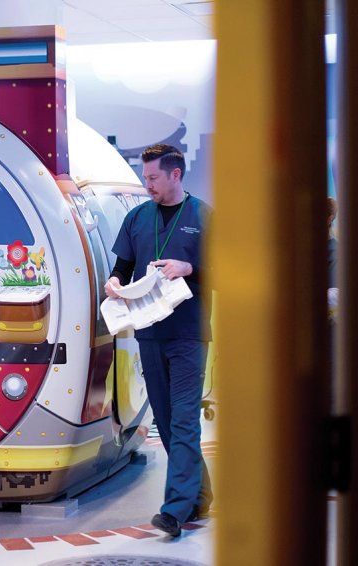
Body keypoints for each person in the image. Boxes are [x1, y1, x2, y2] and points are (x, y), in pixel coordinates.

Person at [105, 143, 213, 537]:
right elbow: (121, 269)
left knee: (184, 420)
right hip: (149, 334)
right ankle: (200, 493)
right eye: (144, 176)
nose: (146, 183)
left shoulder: (203, 216)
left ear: (176, 174)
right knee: (166, 422)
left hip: (188, 334)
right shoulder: (136, 218)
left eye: (152, 177)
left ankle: (175, 510)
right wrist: (114, 284)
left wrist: (189, 267)